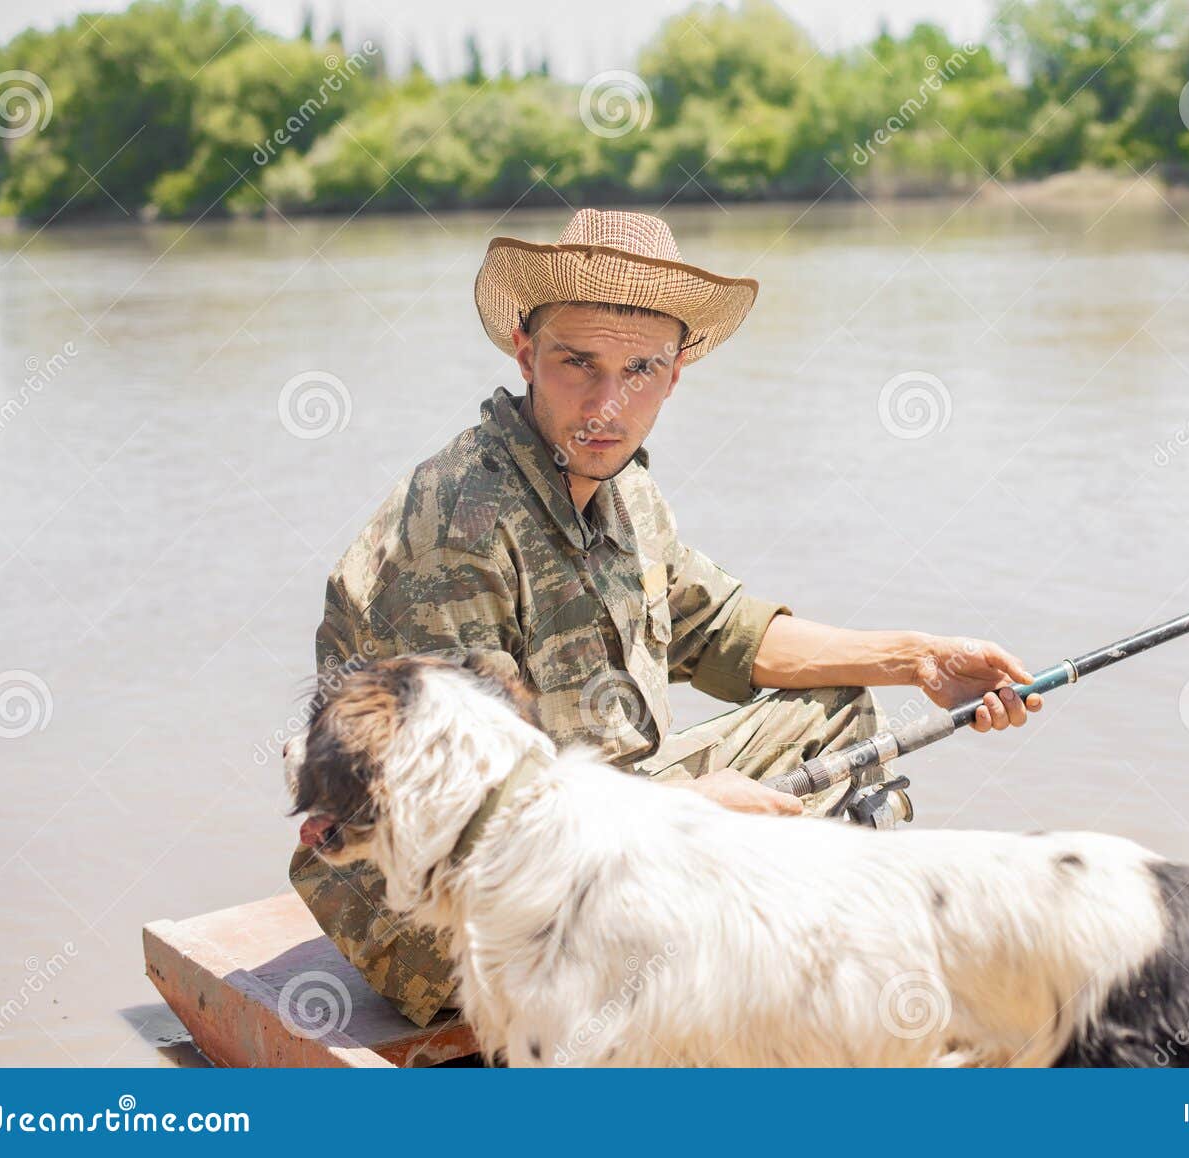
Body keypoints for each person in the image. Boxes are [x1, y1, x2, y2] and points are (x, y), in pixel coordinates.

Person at [289, 209, 1041, 1026]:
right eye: (578, 363)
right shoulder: (457, 519)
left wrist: (918, 659)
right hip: (439, 902)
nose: (608, 404)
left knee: (841, 720)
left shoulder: (624, 491)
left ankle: (839, 1000)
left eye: (640, 369)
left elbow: (721, 630)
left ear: (676, 373)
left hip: (599, 822)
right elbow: (467, 807)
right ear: (525, 354)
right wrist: (691, 815)